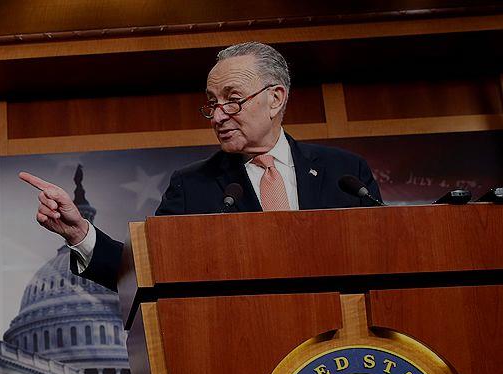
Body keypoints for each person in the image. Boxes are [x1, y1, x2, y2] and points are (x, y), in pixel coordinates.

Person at [20, 42, 382, 291]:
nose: (218, 116)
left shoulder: (345, 173)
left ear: (275, 99)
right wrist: (80, 234)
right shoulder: (192, 186)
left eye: (232, 100)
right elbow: (143, 270)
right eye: (212, 103)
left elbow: (382, 262)